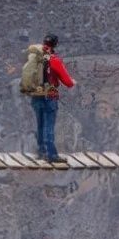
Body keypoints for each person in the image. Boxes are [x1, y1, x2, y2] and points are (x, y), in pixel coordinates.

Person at [30, 33, 75, 163]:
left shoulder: (34, 58)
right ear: (55, 44)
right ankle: (51, 155)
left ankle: (41, 152)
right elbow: (68, 83)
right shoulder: (54, 60)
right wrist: (72, 81)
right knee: (48, 126)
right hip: (50, 95)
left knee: (40, 125)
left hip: (36, 95)